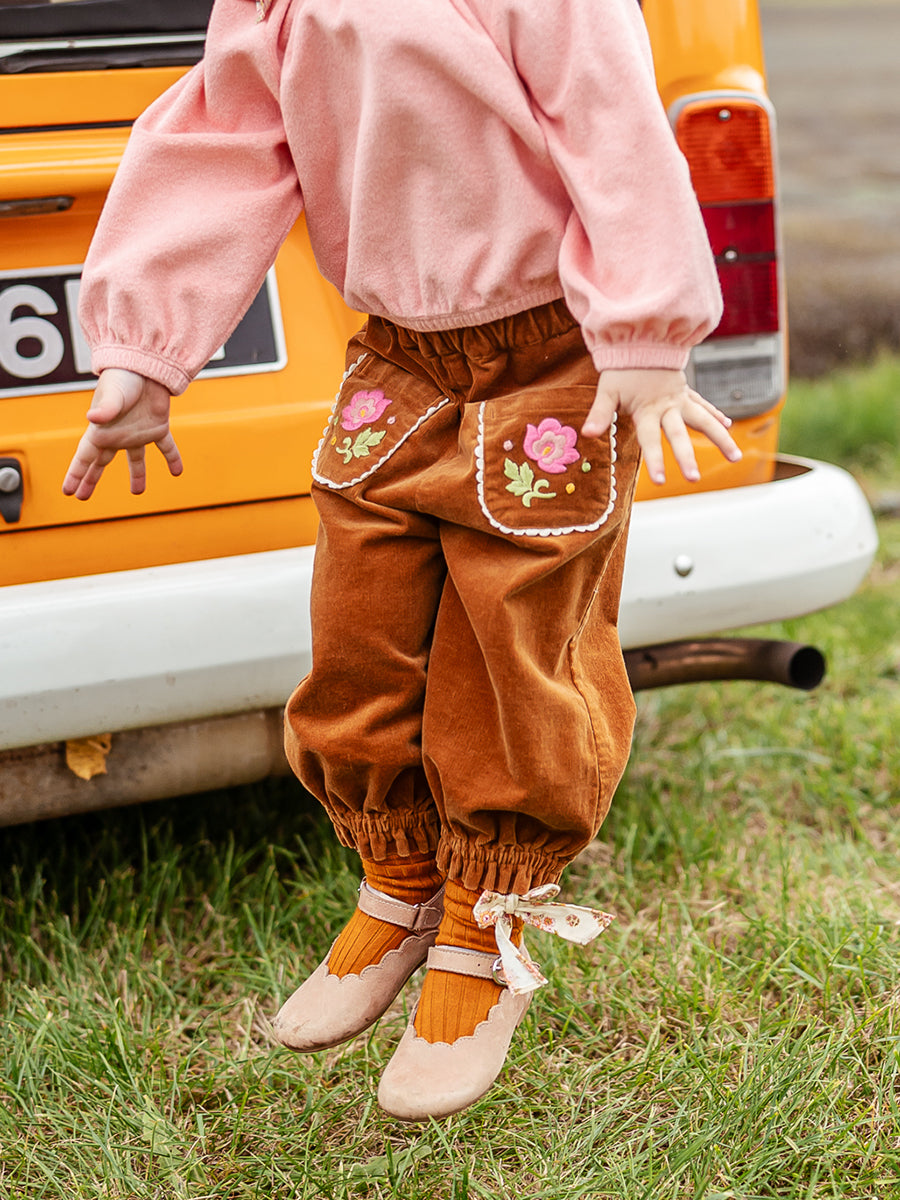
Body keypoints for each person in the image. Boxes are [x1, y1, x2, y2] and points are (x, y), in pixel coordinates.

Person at [62, 0, 738, 1120]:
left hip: (553, 356)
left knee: (510, 647)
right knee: (358, 627)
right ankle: (403, 878)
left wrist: (645, 330)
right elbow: (223, 140)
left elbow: (610, 123)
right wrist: (148, 347)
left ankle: (484, 921)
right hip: (400, 356)